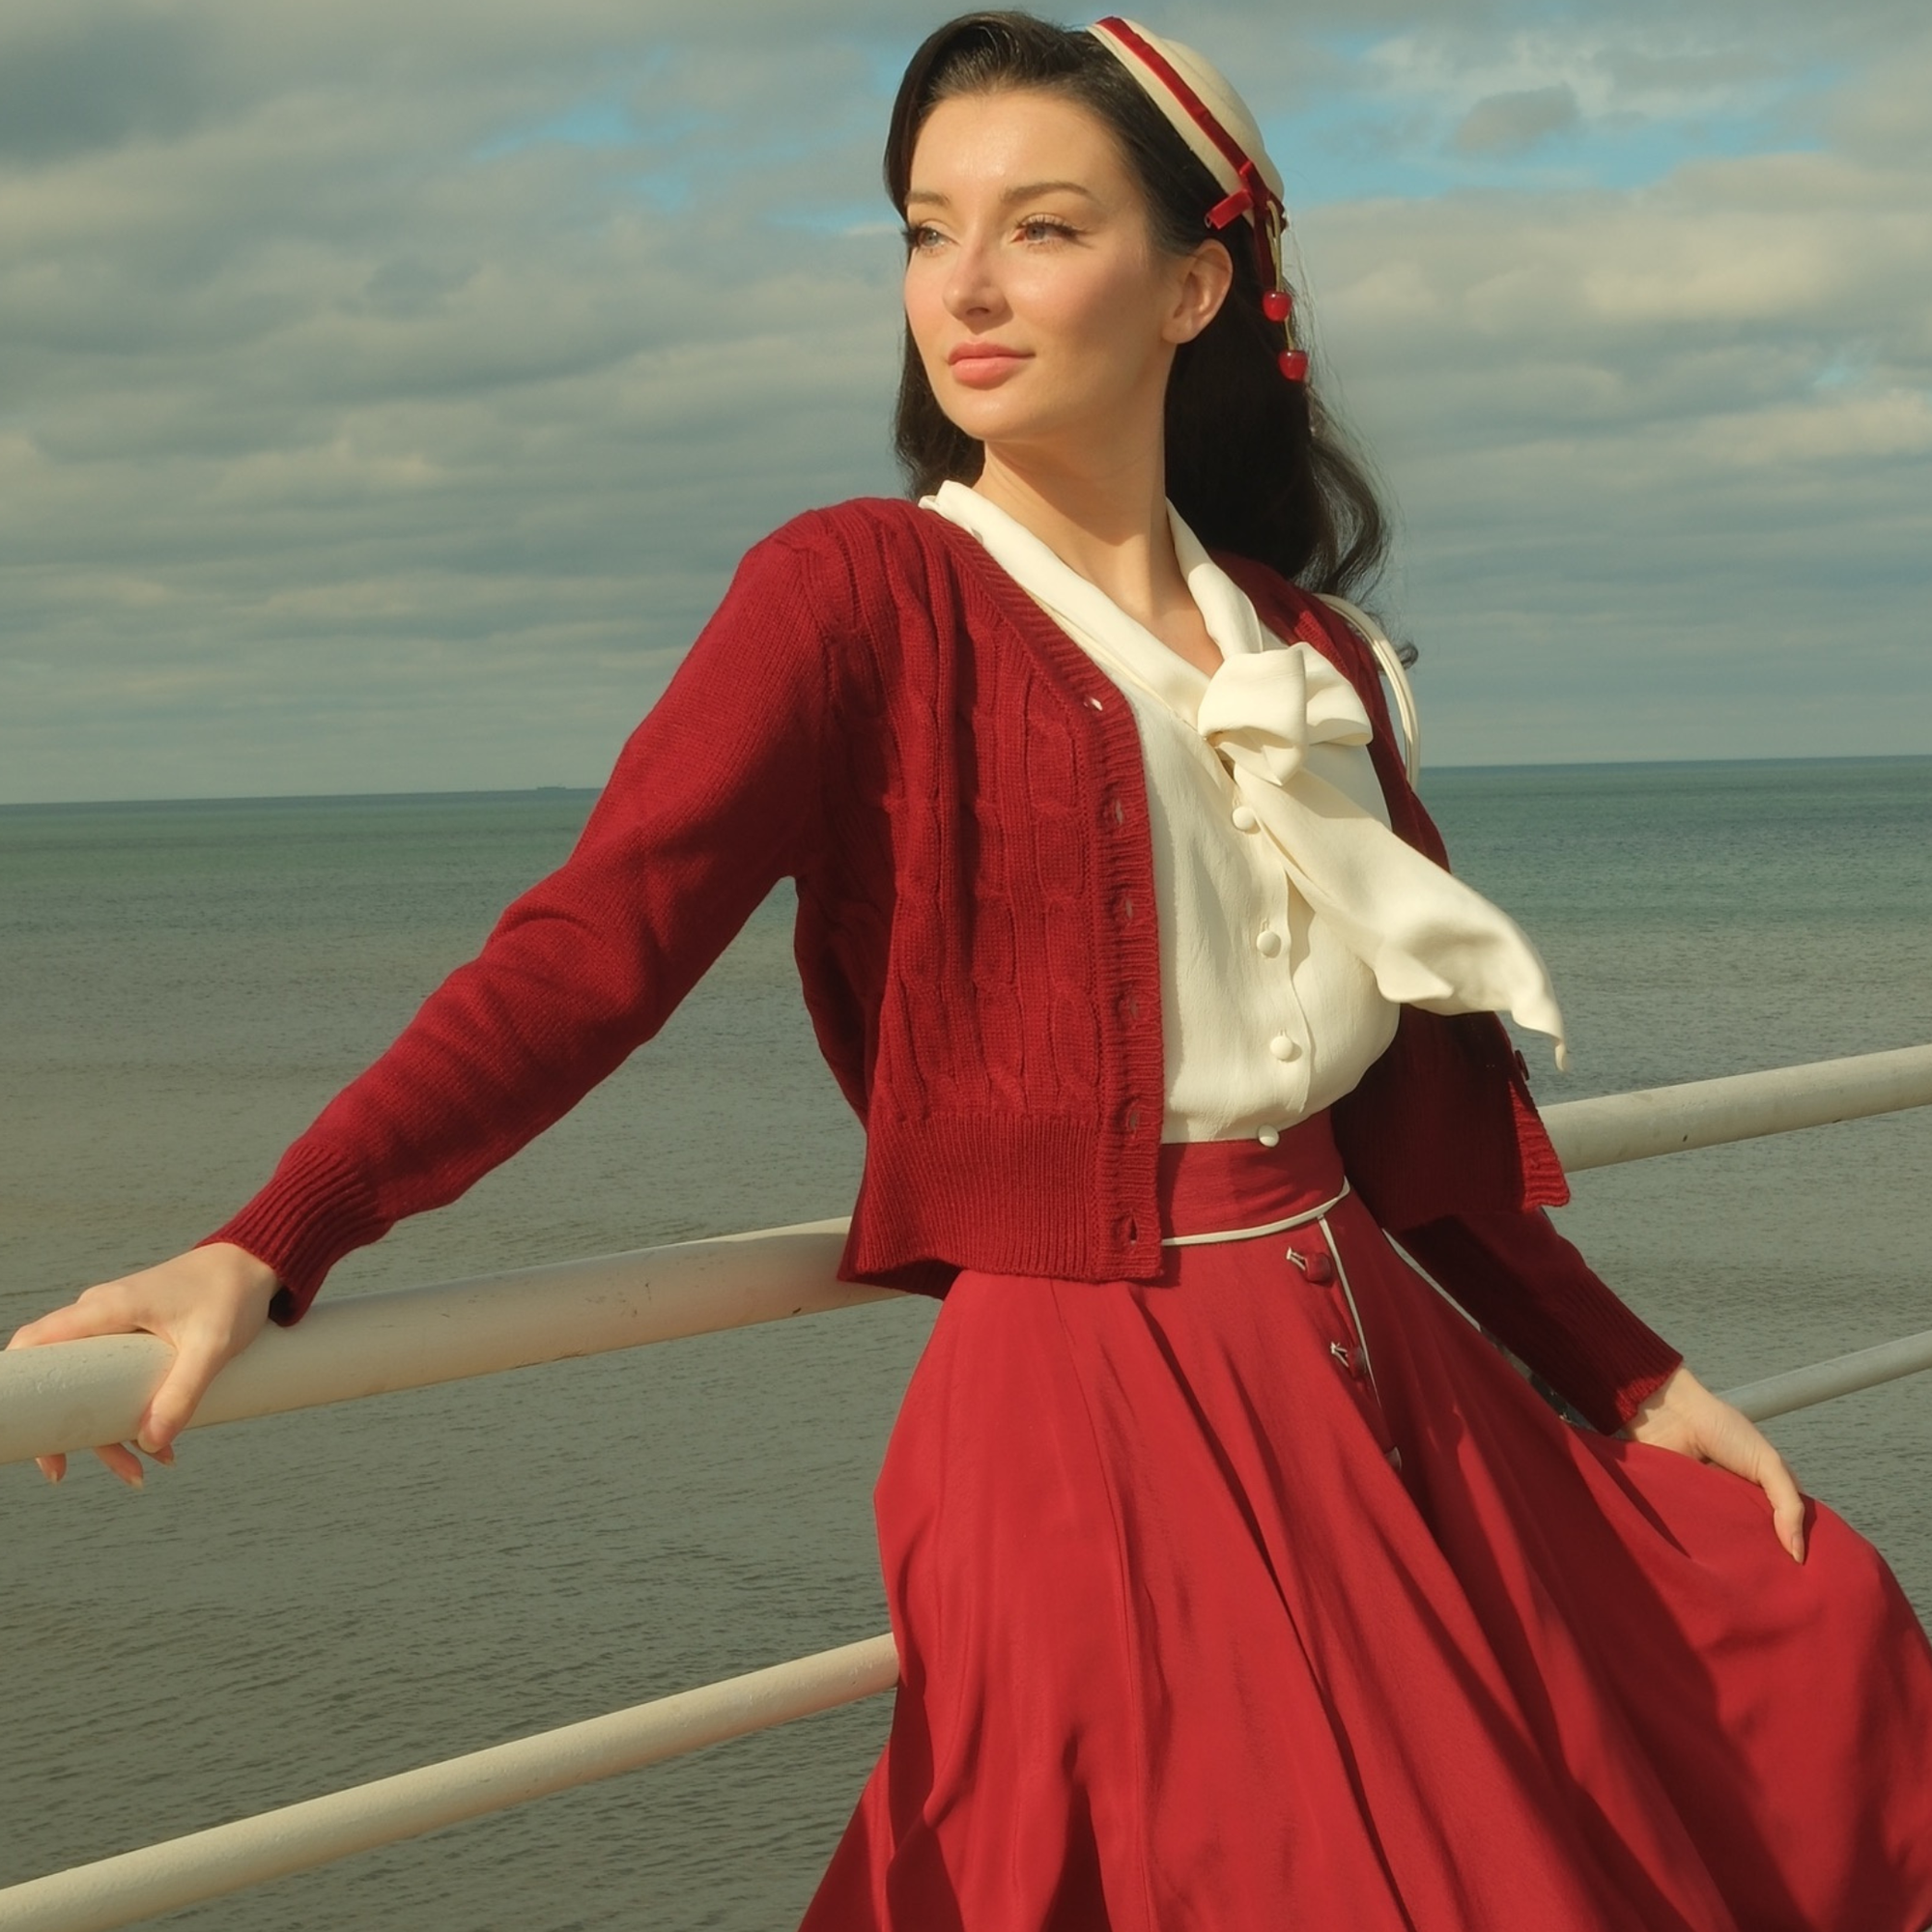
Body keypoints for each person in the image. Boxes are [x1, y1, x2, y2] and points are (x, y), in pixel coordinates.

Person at [11, 12, 1932, 1928]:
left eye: (1041, 226)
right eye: (928, 230)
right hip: (1087, 1406)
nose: (967, 286)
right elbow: (596, 943)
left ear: (1194, 283)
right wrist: (271, 1236)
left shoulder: (1307, 655)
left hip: (1390, 1378)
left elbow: (1408, 1113)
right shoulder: (855, 595)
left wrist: (1627, 1366)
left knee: (1767, 1644)